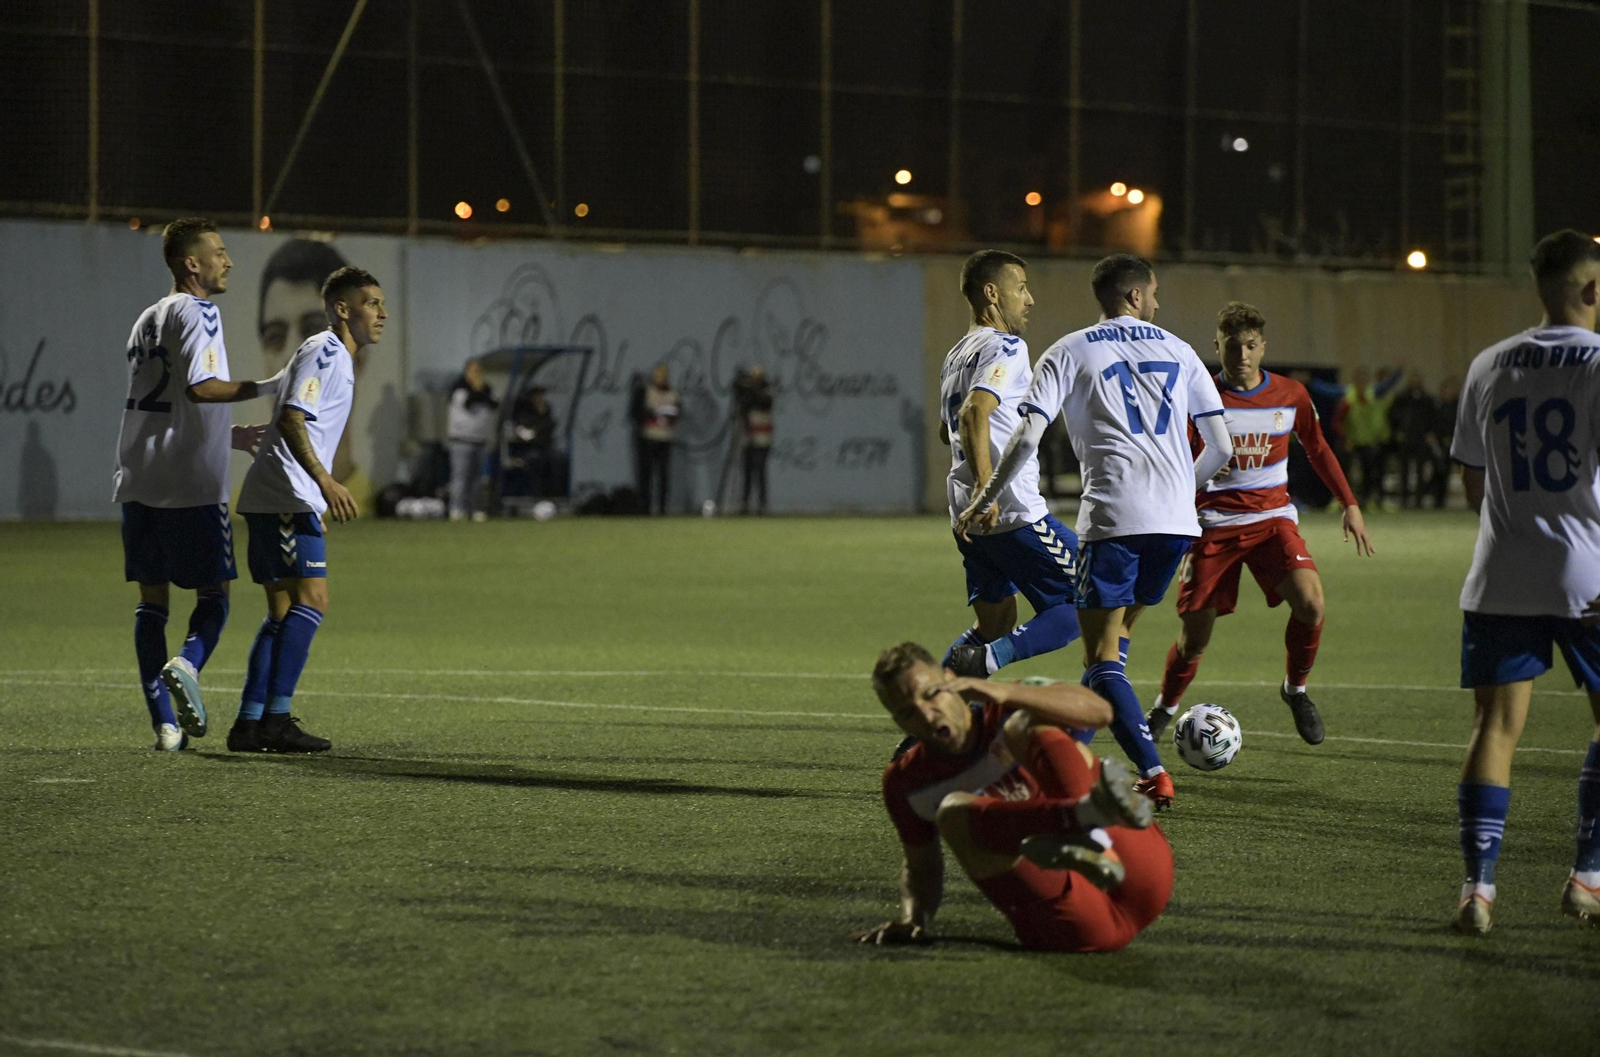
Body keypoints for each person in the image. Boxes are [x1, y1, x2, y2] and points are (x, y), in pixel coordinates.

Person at [957, 254, 1233, 810]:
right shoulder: (1180, 350)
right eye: (1153, 293)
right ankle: (1067, 757)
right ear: (1135, 295)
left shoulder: (1069, 349)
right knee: (1113, 649)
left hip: (1114, 521)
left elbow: (1027, 437)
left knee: (1101, 656)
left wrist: (984, 498)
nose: (1157, 303)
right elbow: (1221, 447)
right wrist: (1179, 490)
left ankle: (1153, 773)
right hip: (1176, 525)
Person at [1447, 229, 1600, 935]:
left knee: (1495, 727)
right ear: (1591, 288)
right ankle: (1587, 876)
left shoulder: (1489, 362)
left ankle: (1477, 891)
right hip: (1587, 575)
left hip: (1501, 572)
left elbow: (1473, 482)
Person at [1148, 302, 1376, 747]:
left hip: (1272, 521)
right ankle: (1165, 707)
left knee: (1311, 604)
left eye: (1251, 346)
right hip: (1213, 525)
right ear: (1217, 346)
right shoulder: (1199, 395)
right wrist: (1193, 474)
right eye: (1233, 346)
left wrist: (1349, 503)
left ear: (1263, 347)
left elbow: (1318, 447)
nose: (1243, 356)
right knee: (1194, 638)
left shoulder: (1290, 394)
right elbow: (1173, 458)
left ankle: (1296, 691)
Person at [854, 642, 1171, 952]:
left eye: (931, 694)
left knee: (1023, 721)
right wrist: (913, 919)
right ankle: (1081, 818)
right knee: (953, 812)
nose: (925, 714)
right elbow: (921, 866)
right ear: (898, 722)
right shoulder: (906, 782)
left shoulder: (1007, 704)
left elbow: (1099, 712)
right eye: (908, 712)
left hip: (1138, 868)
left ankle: (1089, 832)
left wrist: (1000, 692)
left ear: (951, 680)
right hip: (1076, 920)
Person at [112, 217, 282, 751]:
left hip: (138, 478)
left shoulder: (147, 319)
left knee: (151, 603)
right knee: (215, 595)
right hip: (191, 485)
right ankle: (186, 663)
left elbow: (165, 404)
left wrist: (226, 435)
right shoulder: (200, 311)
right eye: (219, 253)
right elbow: (202, 389)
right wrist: (272, 385)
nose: (227, 261)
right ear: (193, 264)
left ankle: (165, 726)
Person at [230, 266, 387, 754]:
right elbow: (293, 417)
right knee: (313, 600)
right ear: (343, 309)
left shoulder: (322, 351)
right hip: (287, 495)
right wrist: (323, 482)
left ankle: (249, 725)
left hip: (280, 495)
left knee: (282, 611)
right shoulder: (328, 351)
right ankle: (276, 720)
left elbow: (282, 400)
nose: (381, 313)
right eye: (372, 303)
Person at [937, 250, 1081, 681]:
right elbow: (973, 413)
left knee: (995, 623)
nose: (1029, 299)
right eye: (1020, 288)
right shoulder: (1007, 346)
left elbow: (948, 431)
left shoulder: (956, 355)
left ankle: (929, 706)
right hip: (1008, 510)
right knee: (1093, 597)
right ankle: (988, 661)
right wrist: (988, 488)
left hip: (967, 516)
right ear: (992, 293)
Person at [257, 238, 376, 515]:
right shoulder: (240, 511)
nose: (292, 354)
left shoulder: (376, 508)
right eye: (275, 336)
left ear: (359, 353)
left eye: (313, 330)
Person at [446, 358, 498, 521]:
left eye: (479, 370)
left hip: (480, 439)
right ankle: (456, 509)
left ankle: (474, 508)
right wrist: (479, 389)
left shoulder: (487, 388)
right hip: (461, 440)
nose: (477, 373)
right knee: (460, 477)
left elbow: (494, 403)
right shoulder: (459, 388)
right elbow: (469, 403)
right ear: (466, 371)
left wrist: (483, 389)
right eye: (473, 370)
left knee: (477, 478)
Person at [1342, 366, 1400, 507]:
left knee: (1370, 473)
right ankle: (1345, 501)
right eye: (1359, 380)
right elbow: (1338, 420)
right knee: (1345, 472)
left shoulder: (1372, 395)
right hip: (1351, 441)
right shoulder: (1348, 396)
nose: (1361, 384)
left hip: (1369, 441)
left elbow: (1377, 419)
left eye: (1364, 380)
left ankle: (1368, 500)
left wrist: (1398, 373)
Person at [1388, 372, 1439, 509]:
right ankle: (1404, 498)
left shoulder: (1427, 399)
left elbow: (1433, 417)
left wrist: (1429, 432)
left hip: (1421, 438)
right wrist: (1398, 432)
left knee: (1420, 470)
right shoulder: (1402, 398)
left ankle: (1419, 499)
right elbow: (1393, 416)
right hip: (1405, 438)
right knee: (1404, 470)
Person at [636, 363, 678, 515]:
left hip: (665, 438)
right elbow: (638, 414)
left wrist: (665, 415)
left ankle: (662, 508)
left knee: (663, 476)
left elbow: (677, 412)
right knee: (646, 475)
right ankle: (645, 508)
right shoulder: (647, 391)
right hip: (649, 438)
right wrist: (653, 414)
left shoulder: (672, 393)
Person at [735, 366, 774, 514]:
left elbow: (763, 401)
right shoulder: (748, 396)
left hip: (762, 439)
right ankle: (744, 504)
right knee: (747, 472)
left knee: (760, 470)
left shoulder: (766, 392)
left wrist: (749, 389)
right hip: (749, 438)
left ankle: (762, 504)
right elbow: (744, 406)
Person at [509, 385, 558, 497]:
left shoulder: (547, 409)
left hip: (545, 446)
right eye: (537, 395)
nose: (540, 398)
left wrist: (537, 428)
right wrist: (538, 429)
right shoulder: (524, 411)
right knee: (536, 461)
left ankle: (552, 495)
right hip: (526, 448)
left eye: (541, 395)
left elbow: (550, 425)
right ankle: (536, 495)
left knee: (556, 461)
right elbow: (525, 432)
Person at [1431, 375, 1461, 509]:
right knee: (1439, 471)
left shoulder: (1458, 406)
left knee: (1452, 471)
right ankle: (1437, 500)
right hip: (1438, 443)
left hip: (1454, 443)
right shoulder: (1437, 406)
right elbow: (1435, 423)